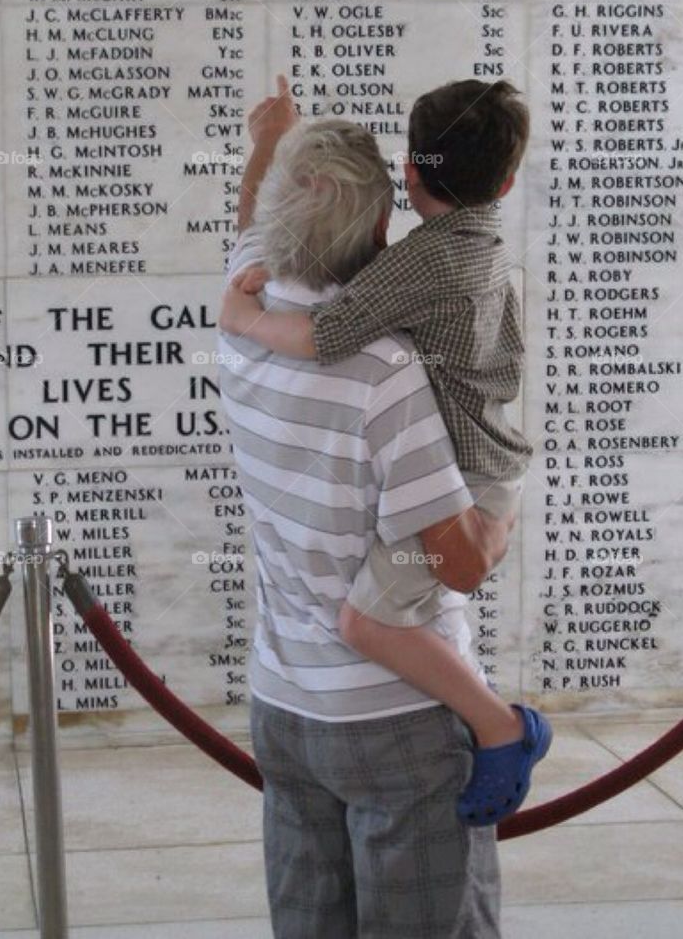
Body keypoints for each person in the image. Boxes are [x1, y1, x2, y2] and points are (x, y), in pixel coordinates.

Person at [217, 87, 511, 935]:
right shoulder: (385, 373)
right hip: (398, 724)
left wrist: (268, 144)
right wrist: (498, 518)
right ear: (383, 233)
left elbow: (253, 228)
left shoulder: (240, 314)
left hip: (283, 708)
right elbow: (455, 561)